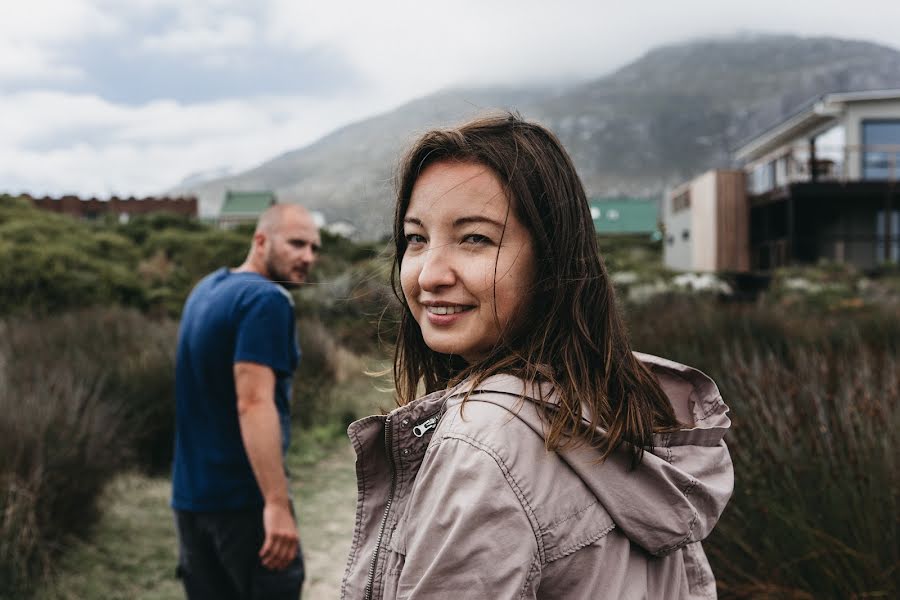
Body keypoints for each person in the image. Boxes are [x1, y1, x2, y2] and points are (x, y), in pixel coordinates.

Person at [340, 115, 734, 599]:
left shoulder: (483, 447)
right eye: (417, 238)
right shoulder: (619, 400)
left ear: (551, 259)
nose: (429, 275)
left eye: (475, 238)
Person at [172, 203, 321, 600]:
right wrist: (275, 503)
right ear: (260, 240)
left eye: (314, 247)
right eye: (296, 243)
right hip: (243, 503)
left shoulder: (206, 289)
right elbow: (253, 402)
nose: (308, 257)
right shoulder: (266, 301)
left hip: (190, 501)